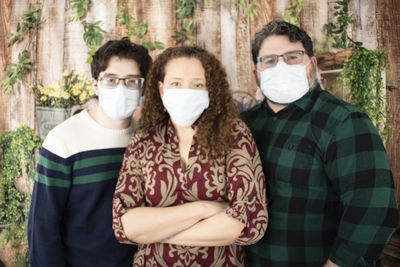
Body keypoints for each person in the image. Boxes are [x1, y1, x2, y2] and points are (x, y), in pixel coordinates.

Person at [241, 20, 398, 267]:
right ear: (255, 74)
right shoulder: (243, 125)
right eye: (269, 60)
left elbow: (372, 208)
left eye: (293, 57)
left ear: (312, 65)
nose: (280, 66)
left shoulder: (344, 122)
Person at [112, 46, 268, 266]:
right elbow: (124, 225)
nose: (186, 91)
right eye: (176, 83)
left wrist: (154, 232)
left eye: (197, 84)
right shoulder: (143, 141)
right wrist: (204, 208)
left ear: (209, 90)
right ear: (161, 89)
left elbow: (248, 221)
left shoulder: (234, 134)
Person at [28, 37, 152, 267]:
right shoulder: (63, 141)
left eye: (132, 80)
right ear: (95, 84)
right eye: (111, 80)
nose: (121, 88)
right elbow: (43, 227)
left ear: (143, 86)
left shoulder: (147, 140)